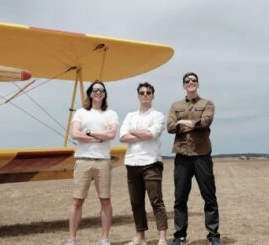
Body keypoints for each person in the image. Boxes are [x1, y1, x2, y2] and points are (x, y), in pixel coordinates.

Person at [167, 72, 222, 245]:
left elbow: (205, 122)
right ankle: (180, 236)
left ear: (197, 84)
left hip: (202, 155)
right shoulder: (176, 105)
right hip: (182, 156)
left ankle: (213, 236)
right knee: (180, 198)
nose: (191, 83)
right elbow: (169, 127)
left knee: (209, 196)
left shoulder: (207, 103)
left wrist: (182, 122)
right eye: (187, 81)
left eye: (193, 81)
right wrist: (193, 124)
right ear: (183, 85)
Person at [67, 80, 119, 245]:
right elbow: (75, 134)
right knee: (77, 200)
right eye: (95, 90)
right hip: (83, 160)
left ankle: (104, 238)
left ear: (104, 94)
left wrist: (87, 133)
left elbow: (111, 135)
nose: (98, 93)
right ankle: (72, 239)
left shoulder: (111, 114)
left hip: (103, 161)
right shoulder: (81, 113)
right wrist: (98, 137)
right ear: (90, 93)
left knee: (105, 200)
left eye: (101, 90)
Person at [120, 82, 168, 245]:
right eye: (142, 93)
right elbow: (122, 137)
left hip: (151, 163)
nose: (145, 95)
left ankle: (162, 237)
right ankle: (140, 237)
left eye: (148, 93)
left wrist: (132, 131)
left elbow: (152, 134)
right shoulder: (130, 116)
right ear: (138, 96)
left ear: (153, 96)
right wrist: (142, 133)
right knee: (136, 202)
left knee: (156, 200)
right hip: (132, 163)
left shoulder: (158, 115)